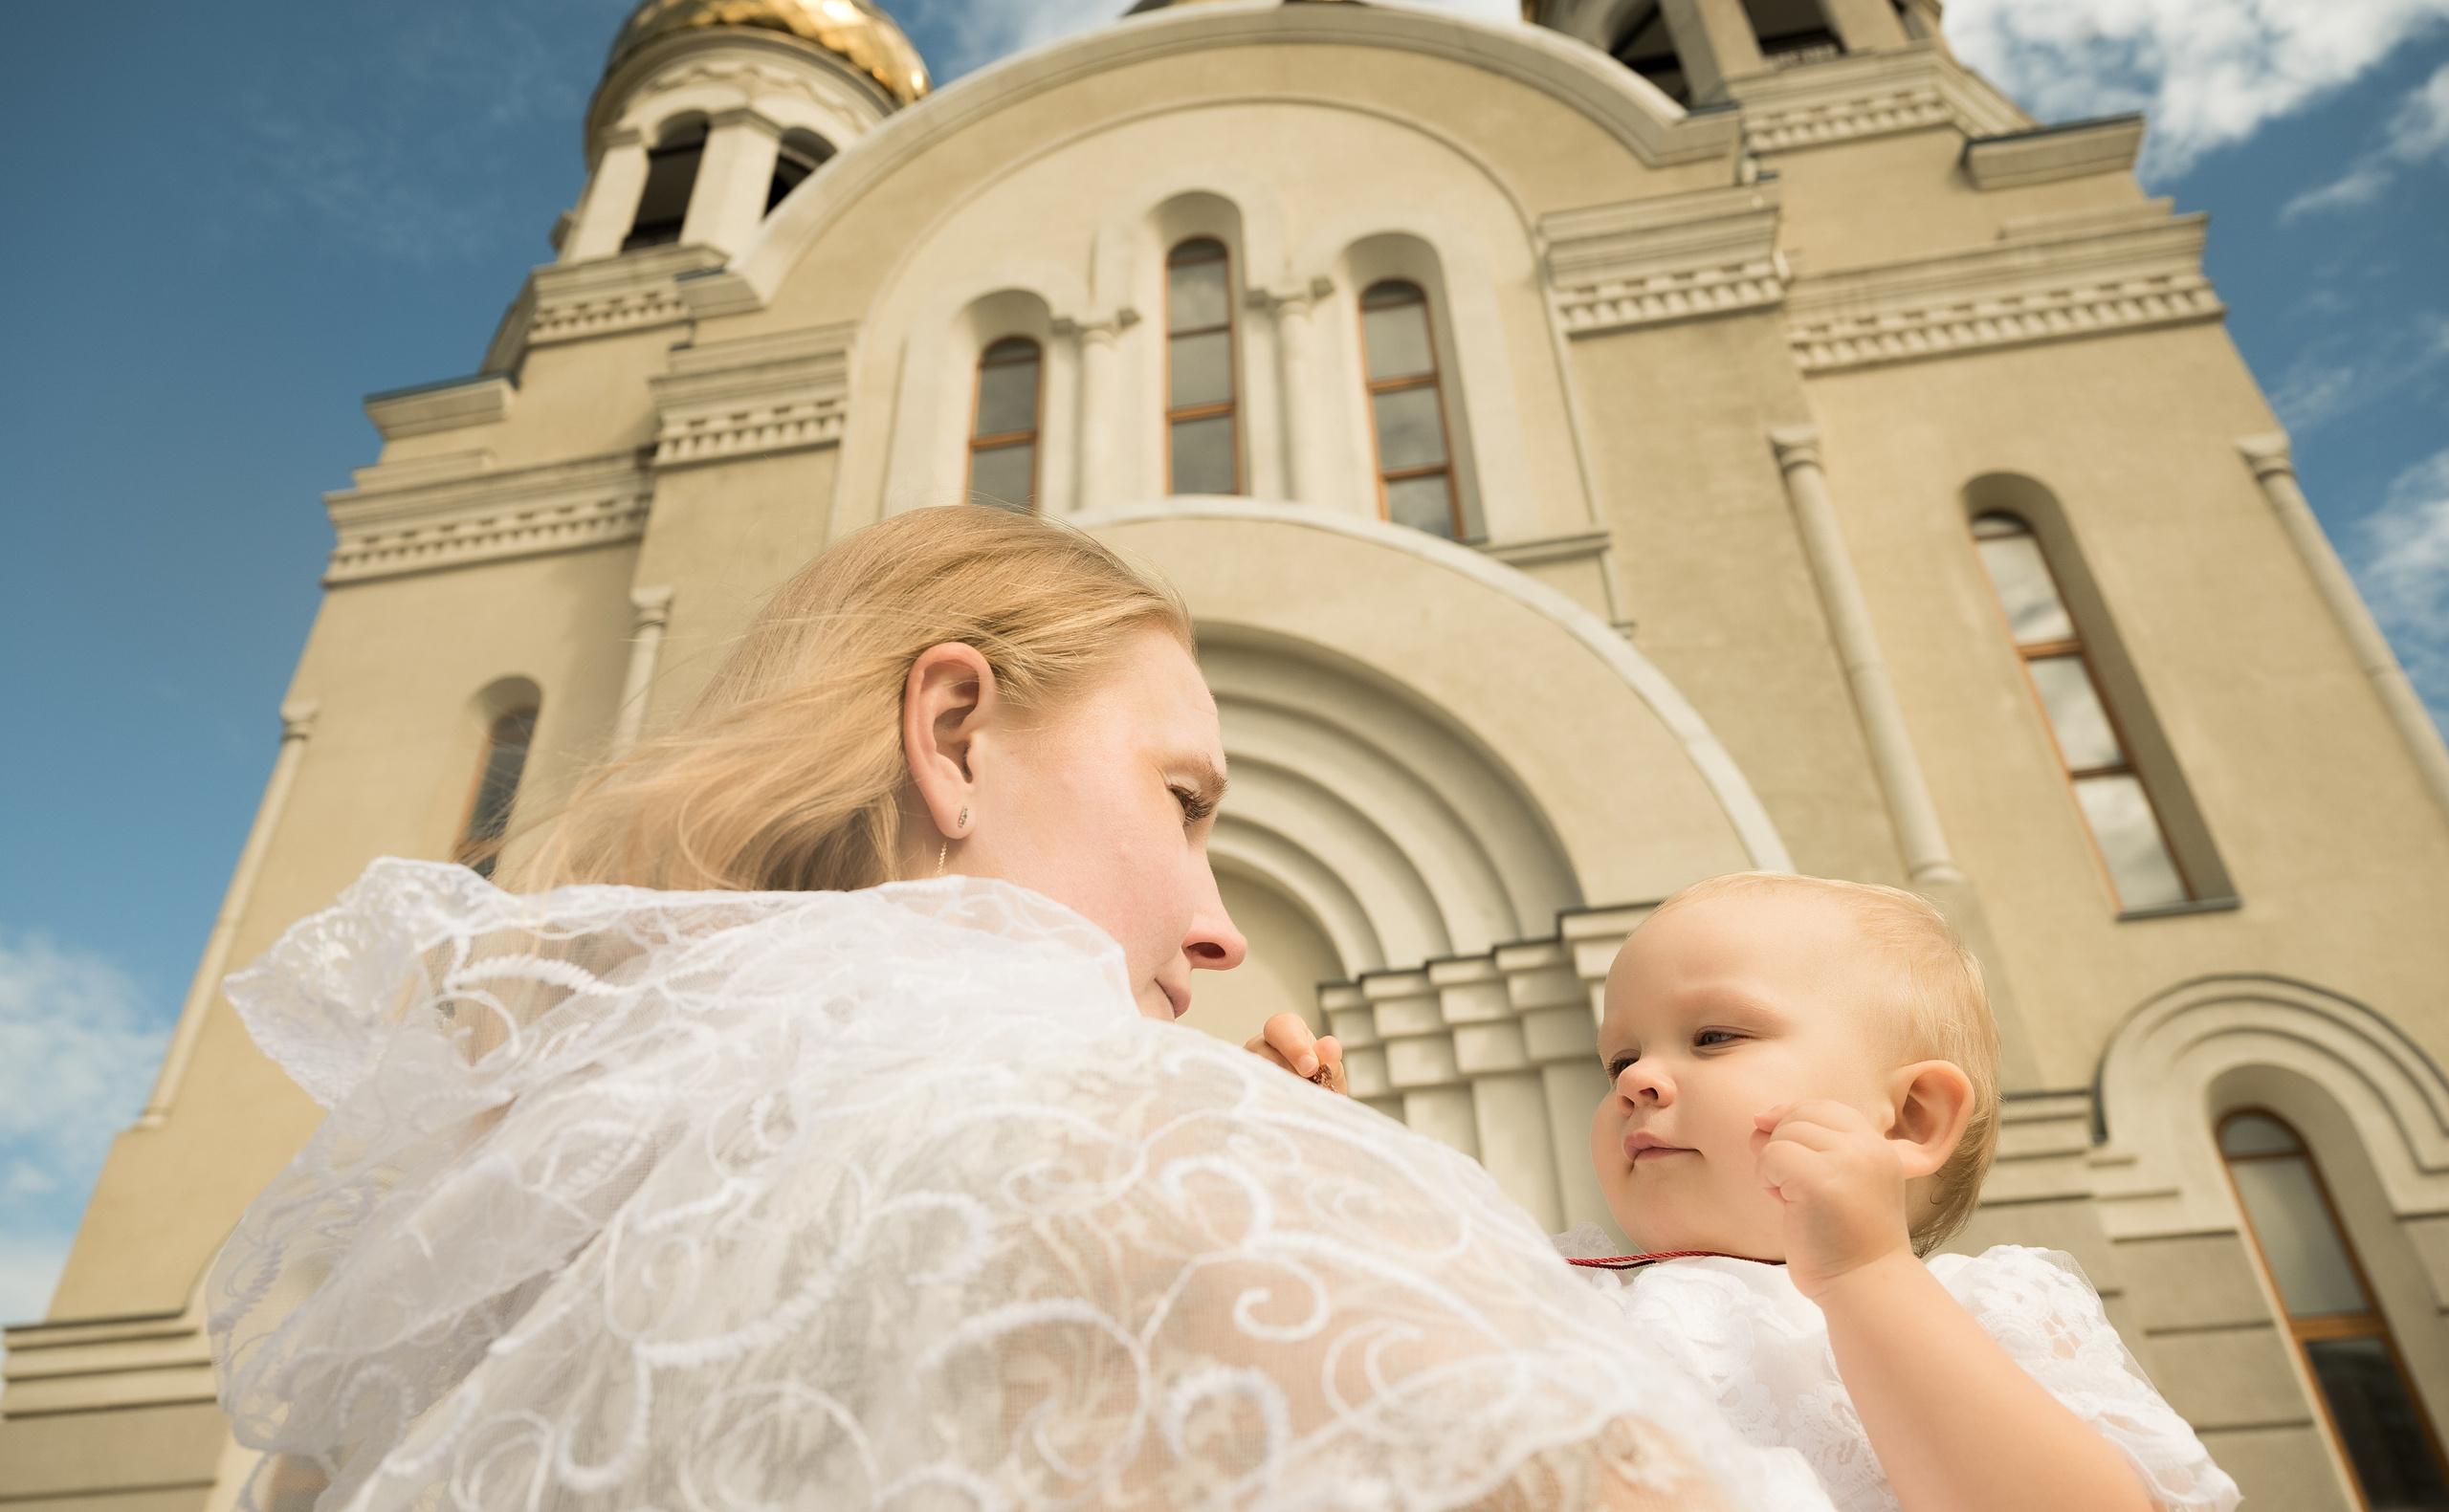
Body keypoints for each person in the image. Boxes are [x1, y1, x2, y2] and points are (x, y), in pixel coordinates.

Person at [208, 507, 1840, 1512]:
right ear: (957, 731)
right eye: (1183, 796)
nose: (1214, 928)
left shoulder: (492, 1232)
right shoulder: (1137, 1140)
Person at [1562, 871, 2241, 1512]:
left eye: (1713, 1036)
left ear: (1911, 1117)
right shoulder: (1564, 1299)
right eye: (1620, 1058)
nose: (1638, 1078)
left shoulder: (1983, 1307)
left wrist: (1864, 1272)